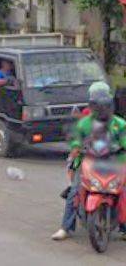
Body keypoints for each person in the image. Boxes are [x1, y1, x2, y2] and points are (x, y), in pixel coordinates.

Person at [52, 82, 126, 240]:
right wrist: (76, 148)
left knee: (123, 192)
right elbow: (76, 141)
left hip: (115, 164)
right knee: (74, 191)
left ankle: (124, 227)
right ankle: (66, 227)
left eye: (104, 105)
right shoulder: (84, 123)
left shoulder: (119, 124)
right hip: (88, 163)